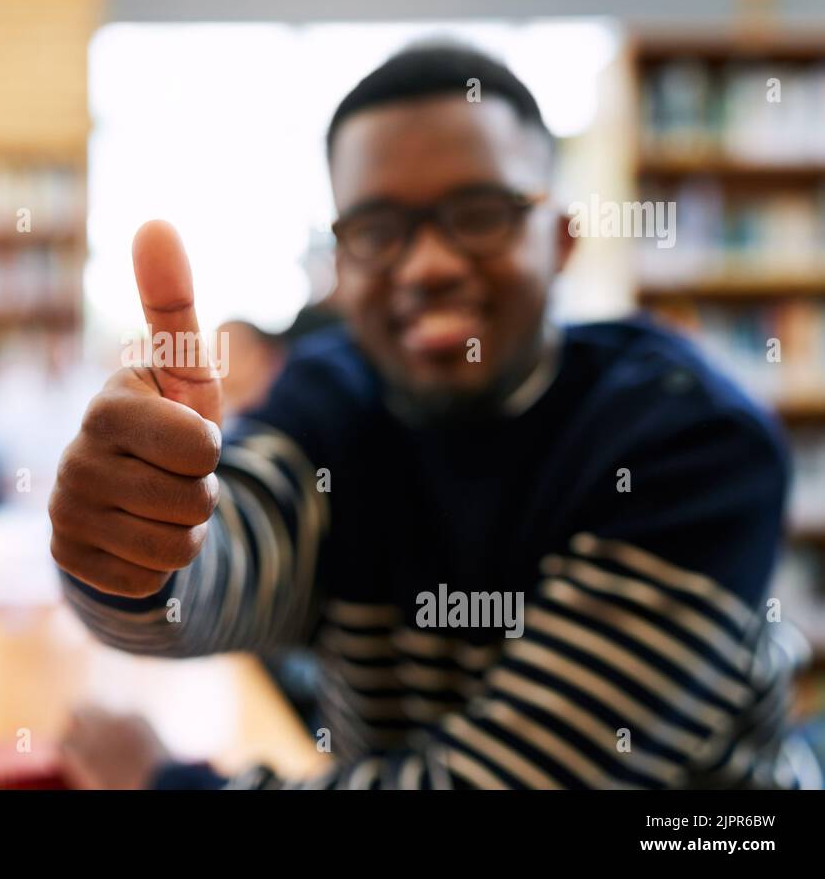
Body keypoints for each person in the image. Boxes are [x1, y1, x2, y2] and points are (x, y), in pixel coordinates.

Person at [48, 43, 817, 789]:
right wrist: (133, 542)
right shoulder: (332, 399)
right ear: (341, 267)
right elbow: (214, 573)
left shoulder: (688, 443)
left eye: (479, 214)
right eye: (377, 230)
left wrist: (168, 784)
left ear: (560, 239)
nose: (427, 266)